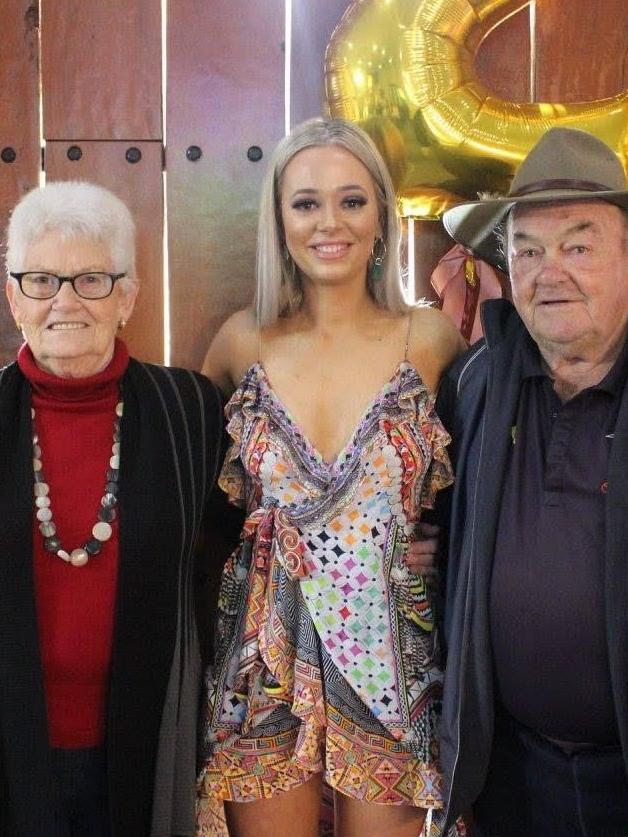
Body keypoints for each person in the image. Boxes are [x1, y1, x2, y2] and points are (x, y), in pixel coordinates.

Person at [196, 117, 465, 837]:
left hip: (393, 659)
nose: (329, 223)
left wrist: (441, 545)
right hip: (261, 663)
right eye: (306, 202)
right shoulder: (239, 341)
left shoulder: (432, 340)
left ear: (382, 214)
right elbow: (194, 506)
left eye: (351, 200)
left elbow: (478, 494)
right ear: (279, 219)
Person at [0, 181, 227, 837]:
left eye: (91, 278)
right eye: (41, 279)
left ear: (127, 295)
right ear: (14, 296)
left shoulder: (192, 412)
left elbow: (240, 557)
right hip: (13, 747)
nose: (64, 300)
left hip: (151, 740)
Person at [433, 127, 628, 836]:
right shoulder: (477, 383)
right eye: (527, 251)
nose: (551, 273)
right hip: (515, 777)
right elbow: (444, 534)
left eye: (579, 246)